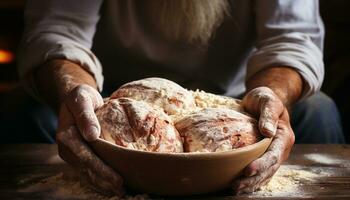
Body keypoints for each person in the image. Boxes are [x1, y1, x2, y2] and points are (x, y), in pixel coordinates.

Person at [17, 0, 345, 196]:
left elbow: (292, 38)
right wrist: (75, 91)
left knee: (319, 111)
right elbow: (57, 31)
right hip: (111, 102)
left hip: (236, 102)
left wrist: (271, 96)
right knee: (26, 113)